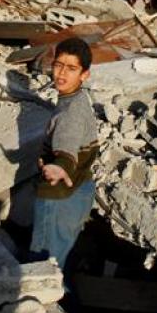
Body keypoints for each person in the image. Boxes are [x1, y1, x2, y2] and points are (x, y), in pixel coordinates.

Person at [30, 37, 98, 269]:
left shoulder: (70, 112)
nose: (61, 74)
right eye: (58, 65)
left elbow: (66, 147)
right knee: (61, 260)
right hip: (79, 189)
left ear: (84, 74)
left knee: (45, 267)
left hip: (59, 196)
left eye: (71, 68)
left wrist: (60, 165)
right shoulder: (77, 98)